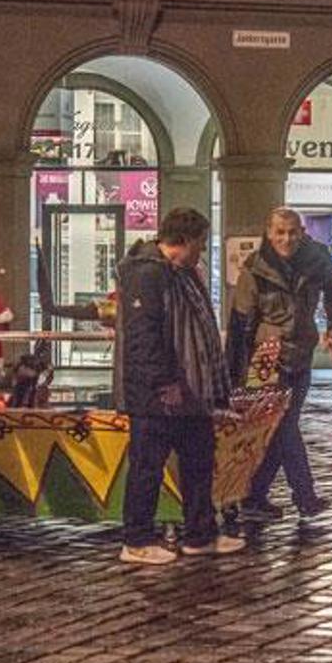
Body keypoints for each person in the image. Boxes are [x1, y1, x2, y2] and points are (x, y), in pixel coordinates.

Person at [115, 207, 244, 564]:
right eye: (200, 244)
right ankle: (137, 539)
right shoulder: (148, 274)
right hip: (156, 395)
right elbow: (144, 336)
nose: (202, 251)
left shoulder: (181, 273)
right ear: (184, 241)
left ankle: (200, 534)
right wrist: (164, 381)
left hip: (190, 390)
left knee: (199, 460)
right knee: (147, 467)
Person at [227, 207, 332, 522]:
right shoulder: (255, 267)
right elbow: (241, 321)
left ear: (302, 232)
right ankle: (303, 495)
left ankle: (253, 497)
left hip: (301, 352)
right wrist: (235, 371)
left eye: (292, 232)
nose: (286, 238)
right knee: (282, 425)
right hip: (265, 355)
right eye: (280, 232)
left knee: (280, 428)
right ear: (268, 232)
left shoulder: (318, 257)